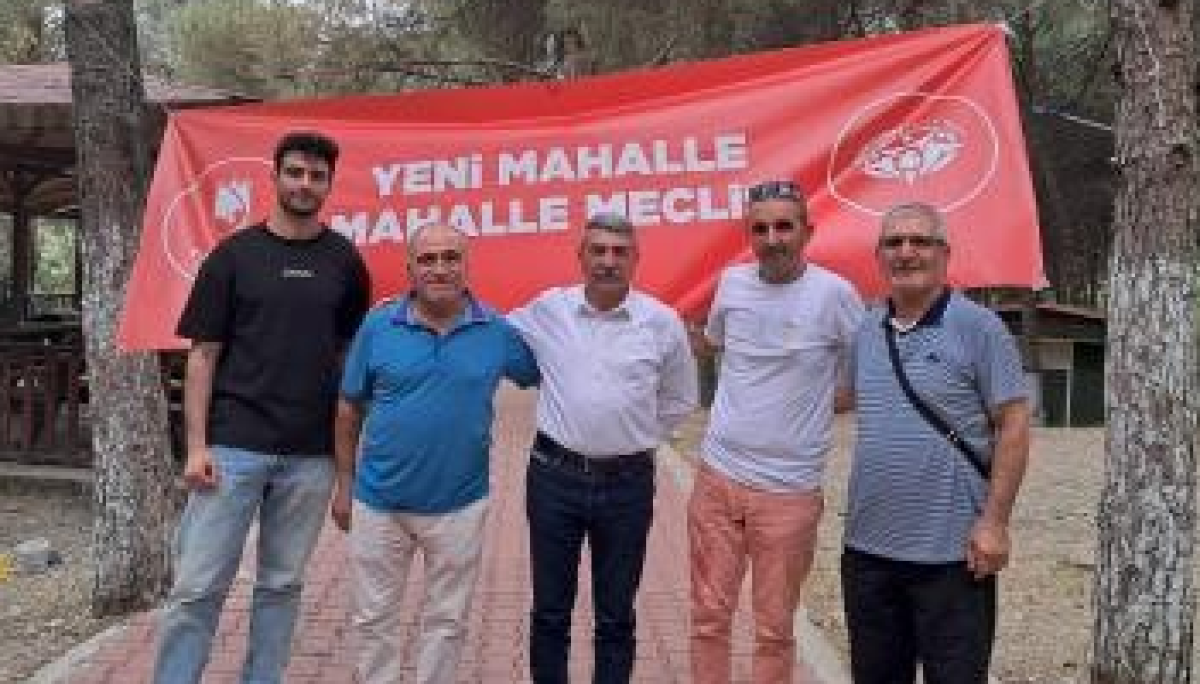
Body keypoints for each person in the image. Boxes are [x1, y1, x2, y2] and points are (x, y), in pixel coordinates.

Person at [153, 131, 371, 684]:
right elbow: (202, 356)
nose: (305, 184)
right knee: (197, 586)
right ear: (273, 177)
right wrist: (197, 446)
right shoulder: (232, 257)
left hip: (311, 454)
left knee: (281, 585)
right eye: (295, 172)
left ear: (329, 184)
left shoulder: (345, 262)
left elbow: (350, 358)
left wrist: (346, 462)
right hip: (233, 448)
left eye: (317, 175)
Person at [334, 223, 540, 684]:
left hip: (459, 505)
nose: (440, 269)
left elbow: (546, 373)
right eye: (428, 259)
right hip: (379, 503)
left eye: (451, 257)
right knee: (374, 621)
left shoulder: (496, 331)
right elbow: (348, 406)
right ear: (409, 268)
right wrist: (344, 484)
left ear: (467, 266)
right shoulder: (378, 325)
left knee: (447, 623)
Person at [839, 202, 1031, 684]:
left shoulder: (979, 328)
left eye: (920, 241)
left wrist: (995, 523)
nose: (906, 252)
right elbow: (835, 399)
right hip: (868, 552)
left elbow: (1013, 423)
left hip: (952, 557)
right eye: (893, 242)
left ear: (945, 254)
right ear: (878, 257)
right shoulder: (864, 330)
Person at [509, 212, 699, 684]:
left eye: (619, 252)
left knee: (616, 615)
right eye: (598, 250)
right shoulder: (548, 310)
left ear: (636, 259)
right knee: (550, 611)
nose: (608, 261)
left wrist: (632, 436)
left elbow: (680, 399)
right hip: (553, 479)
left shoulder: (662, 322)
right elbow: (490, 333)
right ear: (581, 257)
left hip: (627, 487)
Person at [688, 179, 864, 684]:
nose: (772, 239)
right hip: (718, 477)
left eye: (784, 226)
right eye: (760, 229)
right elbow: (712, 343)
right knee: (708, 617)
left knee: (774, 629)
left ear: (808, 231)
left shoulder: (836, 295)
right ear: (749, 234)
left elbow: (861, 376)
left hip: (789, 490)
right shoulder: (731, 283)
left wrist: (808, 408)